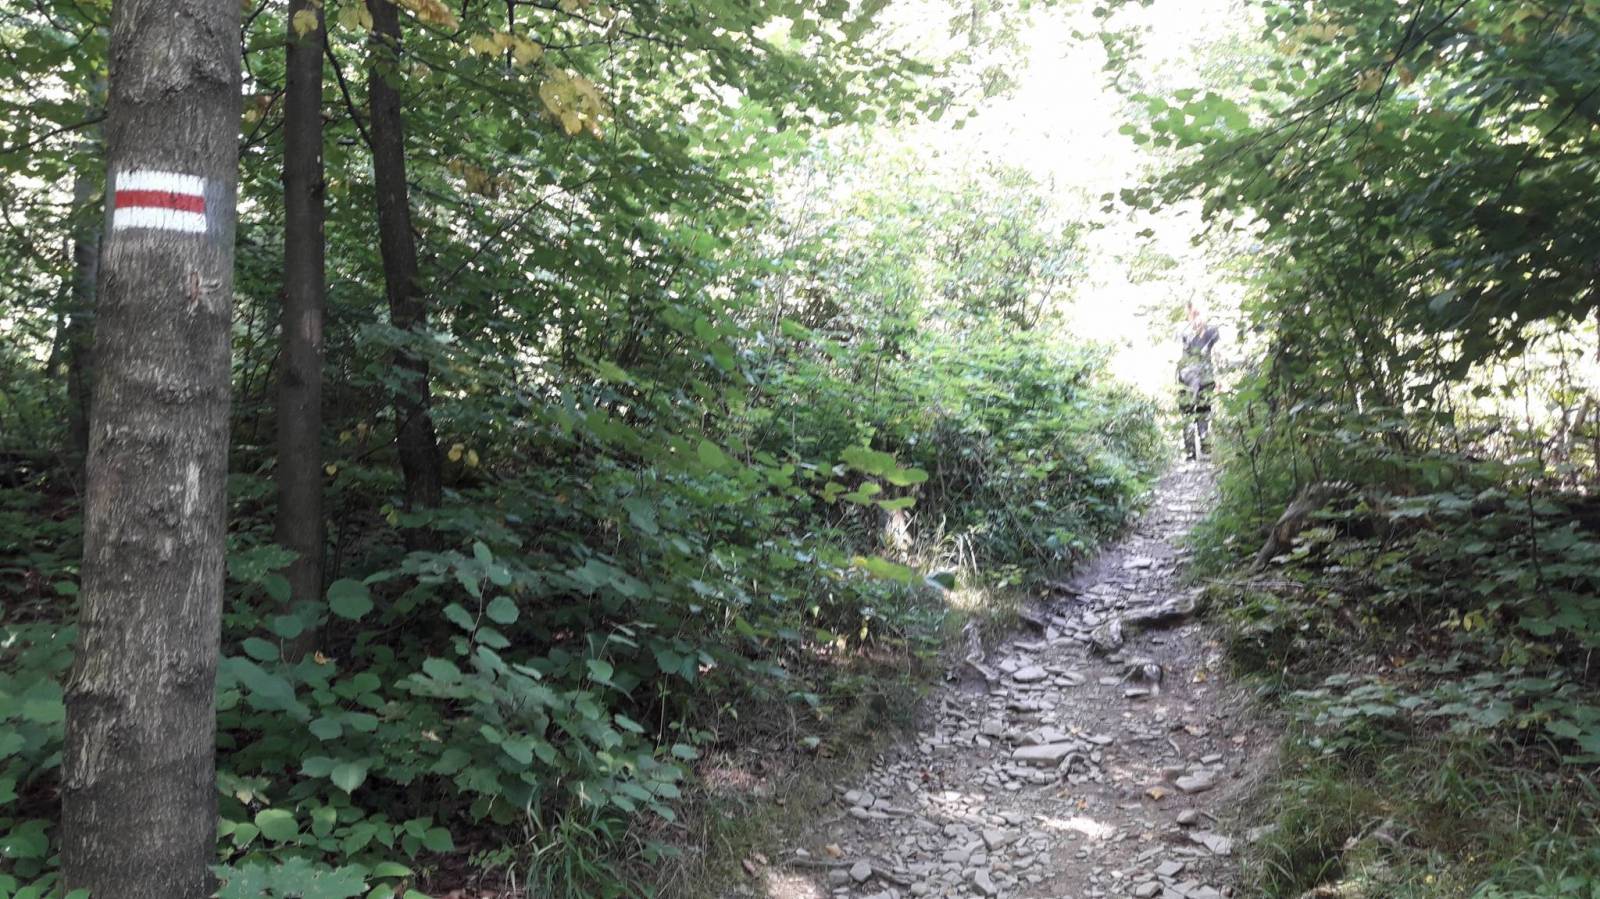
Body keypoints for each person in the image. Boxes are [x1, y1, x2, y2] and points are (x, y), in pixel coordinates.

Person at [1176, 302, 1219, 460]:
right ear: (1188, 314)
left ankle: (1205, 448)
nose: (1197, 318)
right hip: (1186, 377)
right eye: (1193, 314)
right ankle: (1190, 451)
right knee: (1188, 412)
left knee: (1203, 410)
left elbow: (1217, 352)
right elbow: (1176, 353)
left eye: (1199, 313)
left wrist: (1219, 377)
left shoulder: (1212, 331)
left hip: (1205, 377)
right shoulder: (1182, 330)